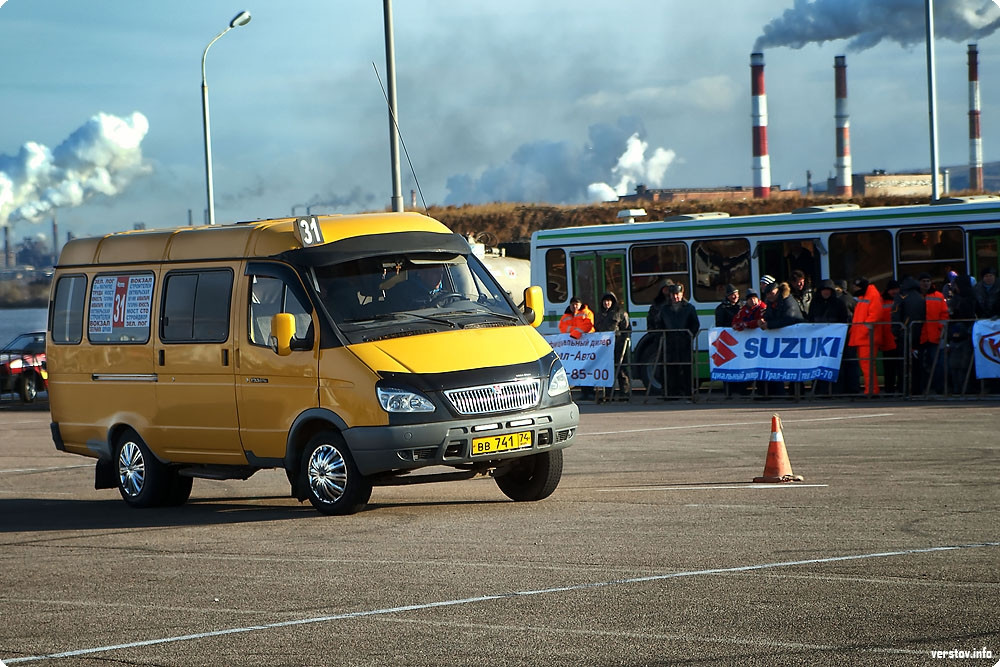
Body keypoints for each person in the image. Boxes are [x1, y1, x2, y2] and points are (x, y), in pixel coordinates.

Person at [648, 283, 699, 397]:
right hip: (670, 343)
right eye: (673, 294)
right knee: (671, 369)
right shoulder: (664, 309)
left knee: (686, 368)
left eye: (678, 294)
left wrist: (689, 336)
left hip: (684, 342)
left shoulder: (689, 308)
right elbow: (659, 324)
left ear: (682, 294)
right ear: (670, 295)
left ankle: (688, 393)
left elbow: (695, 324)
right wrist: (663, 336)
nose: (676, 297)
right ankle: (672, 393)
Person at [760, 280, 805, 396]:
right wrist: (763, 320)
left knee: (795, 365)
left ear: (778, 291)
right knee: (776, 364)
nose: (769, 295)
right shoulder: (771, 302)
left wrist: (769, 325)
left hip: (795, 338)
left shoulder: (788, 300)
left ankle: (797, 393)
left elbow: (789, 318)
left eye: (771, 293)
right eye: (767, 294)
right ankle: (777, 392)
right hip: (781, 340)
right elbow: (769, 315)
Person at [808, 279, 850, 395]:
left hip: (835, 341)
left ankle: (836, 391)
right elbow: (810, 320)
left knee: (835, 366)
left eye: (828, 291)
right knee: (818, 366)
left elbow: (844, 320)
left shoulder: (839, 304)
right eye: (824, 290)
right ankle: (820, 390)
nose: (826, 293)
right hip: (819, 341)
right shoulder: (815, 303)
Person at [848, 278, 884, 395]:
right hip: (864, 337)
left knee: (867, 365)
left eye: (855, 287)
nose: (854, 289)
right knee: (866, 365)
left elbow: (875, 315)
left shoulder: (871, 295)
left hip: (866, 338)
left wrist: (862, 331)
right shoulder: (867, 295)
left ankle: (871, 390)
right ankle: (871, 389)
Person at [594, 292, 631, 394]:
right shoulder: (598, 315)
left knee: (622, 371)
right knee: (608, 371)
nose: (607, 303)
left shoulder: (621, 313)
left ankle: (625, 394)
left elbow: (627, 329)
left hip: (618, 345)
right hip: (604, 348)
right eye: (605, 301)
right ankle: (609, 395)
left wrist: (624, 343)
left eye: (609, 301)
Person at [946, 274, 977, 394]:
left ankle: (964, 389)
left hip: (965, 336)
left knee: (963, 364)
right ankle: (958, 388)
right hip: (957, 336)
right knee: (956, 365)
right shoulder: (958, 298)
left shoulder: (968, 299)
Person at [919, 273, 949, 394]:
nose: (926, 283)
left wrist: (940, 328)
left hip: (934, 336)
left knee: (938, 364)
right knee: (921, 364)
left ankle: (939, 388)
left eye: (928, 281)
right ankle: (922, 387)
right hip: (920, 336)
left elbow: (944, 314)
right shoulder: (916, 295)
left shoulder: (939, 296)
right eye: (923, 281)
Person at [898, 276, 926, 395]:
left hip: (904, 334)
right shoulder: (921, 298)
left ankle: (904, 389)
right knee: (916, 363)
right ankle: (917, 388)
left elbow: (896, 314)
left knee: (903, 363)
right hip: (919, 334)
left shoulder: (902, 297)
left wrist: (896, 331)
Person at [881, 279, 904, 394]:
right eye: (892, 289)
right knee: (889, 368)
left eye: (896, 289)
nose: (894, 291)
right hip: (886, 340)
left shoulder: (902, 299)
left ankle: (901, 389)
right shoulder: (881, 301)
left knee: (901, 367)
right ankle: (889, 389)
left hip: (899, 339)